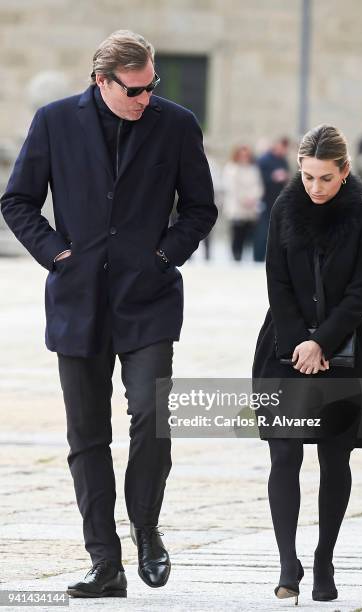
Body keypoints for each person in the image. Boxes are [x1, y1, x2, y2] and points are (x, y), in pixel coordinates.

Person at [1, 30, 217, 598]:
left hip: (148, 297)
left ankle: (146, 527)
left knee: (153, 415)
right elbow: (17, 200)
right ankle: (106, 564)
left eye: (152, 86)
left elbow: (200, 207)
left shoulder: (176, 124)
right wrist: (56, 256)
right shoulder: (54, 121)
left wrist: (166, 255)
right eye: (135, 89)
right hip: (77, 300)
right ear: (102, 81)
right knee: (87, 437)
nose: (146, 97)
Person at [252, 125, 362, 604]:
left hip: (345, 348)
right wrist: (297, 345)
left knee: (335, 456)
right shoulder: (283, 211)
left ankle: (325, 558)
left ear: (345, 171)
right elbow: (276, 282)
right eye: (307, 177)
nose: (315, 187)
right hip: (283, 345)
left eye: (326, 178)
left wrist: (322, 342)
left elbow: (361, 293)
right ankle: (288, 562)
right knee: (283, 452)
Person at [222, 145, 263, 261]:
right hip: (237, 207)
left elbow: (258, 186)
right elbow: (232, 187)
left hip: (251, 207)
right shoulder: (231, 168)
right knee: (237, 234)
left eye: (246, 155)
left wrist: (252, 198)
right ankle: (236, 256)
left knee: (248, 234)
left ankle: (246, 257)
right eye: (242, 155)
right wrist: (244, 199)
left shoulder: (253, 169)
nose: (244, 158)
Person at [253, 137, 290, 262]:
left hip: (278, 199)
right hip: (264, 199)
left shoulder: (283, 160)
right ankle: (257, 257)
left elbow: (287, 175)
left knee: (277, 231)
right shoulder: (264, 159)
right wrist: (273, 177)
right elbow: (257, 178)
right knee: (263, 231)